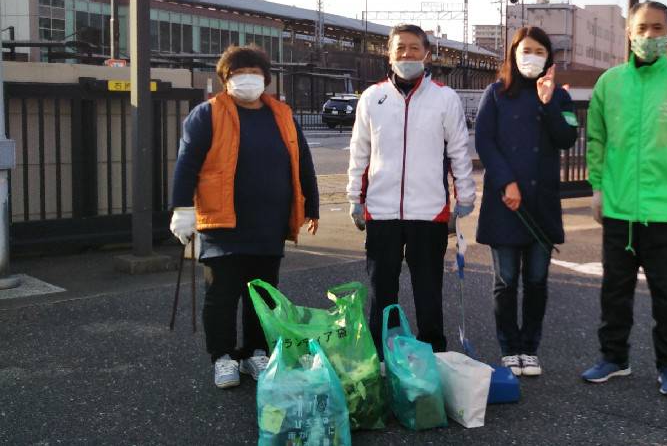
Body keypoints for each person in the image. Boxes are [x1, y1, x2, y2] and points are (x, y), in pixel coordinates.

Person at [581, 1, 667, 397]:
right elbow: (597, 139)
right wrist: (597, 188)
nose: (649, 35)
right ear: (629, 32)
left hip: (666, 210)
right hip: (619, 208)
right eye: (642, 28)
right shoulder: (610, 82)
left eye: (657, 28)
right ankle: (614, 357)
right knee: (614, 293)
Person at [170, 45, 320, 389]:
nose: (247, 79)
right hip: (222, 222)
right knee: (222, 294)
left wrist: (312, 205)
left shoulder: (282, 114)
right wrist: (182, 209)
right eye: (238, 73)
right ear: (225, 79)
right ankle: (222, 356)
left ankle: (256, 351)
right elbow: (187, 163)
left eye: (254, 72)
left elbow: (302, 162)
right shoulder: (207, 114)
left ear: (266, 78)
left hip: (269, 222)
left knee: (263, 293)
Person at [346, 24, 476, 356]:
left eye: (414, 47)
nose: (407, 54)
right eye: (400, 48)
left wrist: (465, 195)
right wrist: (355, 197)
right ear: (389, 55)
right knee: (382, 291)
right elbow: (360, 151)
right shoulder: (372, 98)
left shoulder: (444, 98)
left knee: (428, 290)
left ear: (427, 54)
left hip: (428, 211)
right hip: (381, 210)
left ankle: (434, 352)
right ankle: (382, 354)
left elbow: (459, 151)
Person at [474, 26, 578, 377]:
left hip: (541, 203)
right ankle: (509, 348)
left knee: (536, 280)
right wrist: (507, 182)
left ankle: (529, 348)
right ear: (514, 54)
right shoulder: (496, 93)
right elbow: (485, 141)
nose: (531, 57)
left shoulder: (559, 96)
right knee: (505, 281)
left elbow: (567, 137)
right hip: (505, 202)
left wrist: (548, 104)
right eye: (525, 50)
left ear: (549, 58)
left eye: (539, 51)